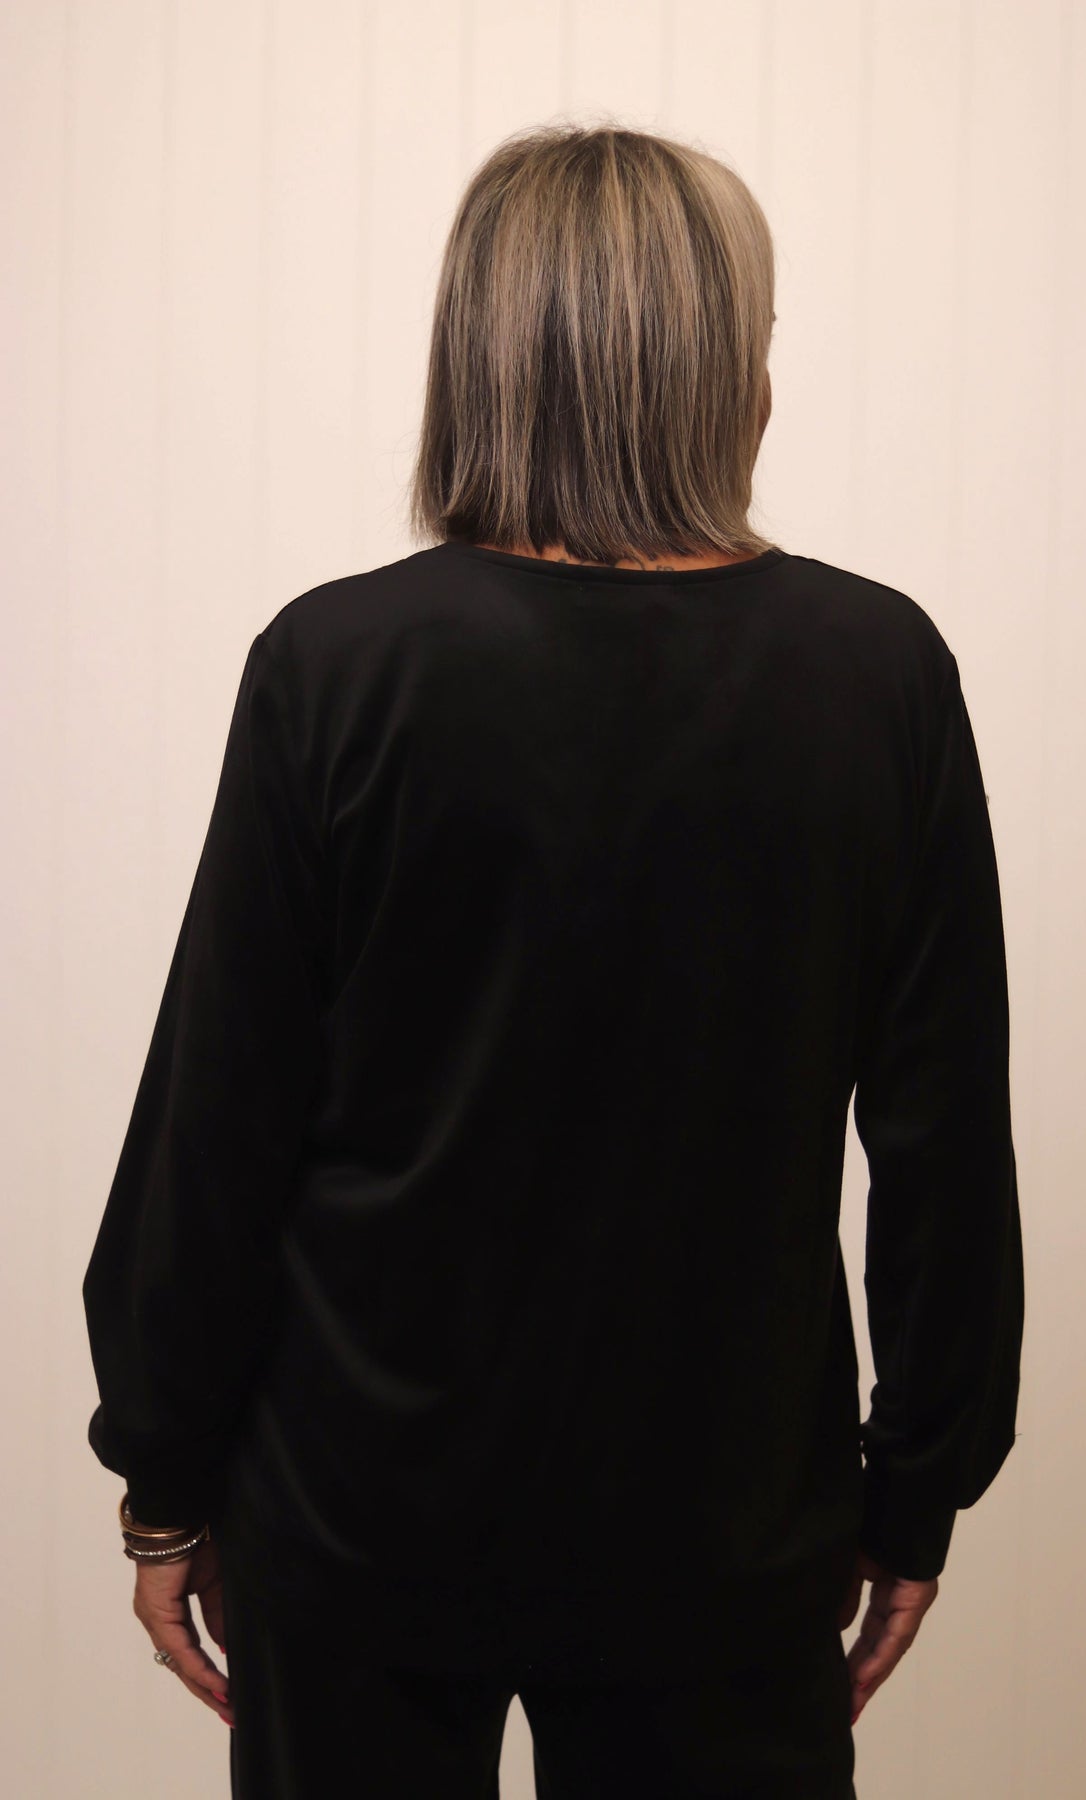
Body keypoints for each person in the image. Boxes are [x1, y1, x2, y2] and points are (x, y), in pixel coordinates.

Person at [82, 120, 1023, 1799]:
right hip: (726, 1524)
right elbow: (944, 1141)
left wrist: (164, 1473)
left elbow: (218, 1127)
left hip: (357, 1511)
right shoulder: (876, 675)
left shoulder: (338, 666)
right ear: (722, 365)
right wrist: (918, 1486)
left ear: (480, 357)